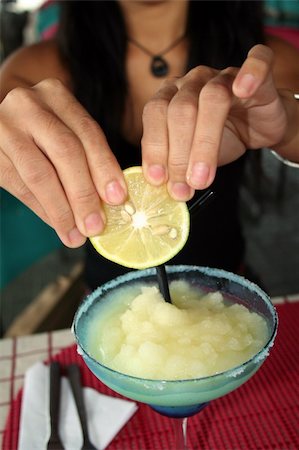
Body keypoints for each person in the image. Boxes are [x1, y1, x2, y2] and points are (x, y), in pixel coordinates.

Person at [0, 1, 299, 290]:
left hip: (232, 297)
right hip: (107, 314)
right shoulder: (33, 68)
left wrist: (287, 128)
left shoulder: (263, 63)